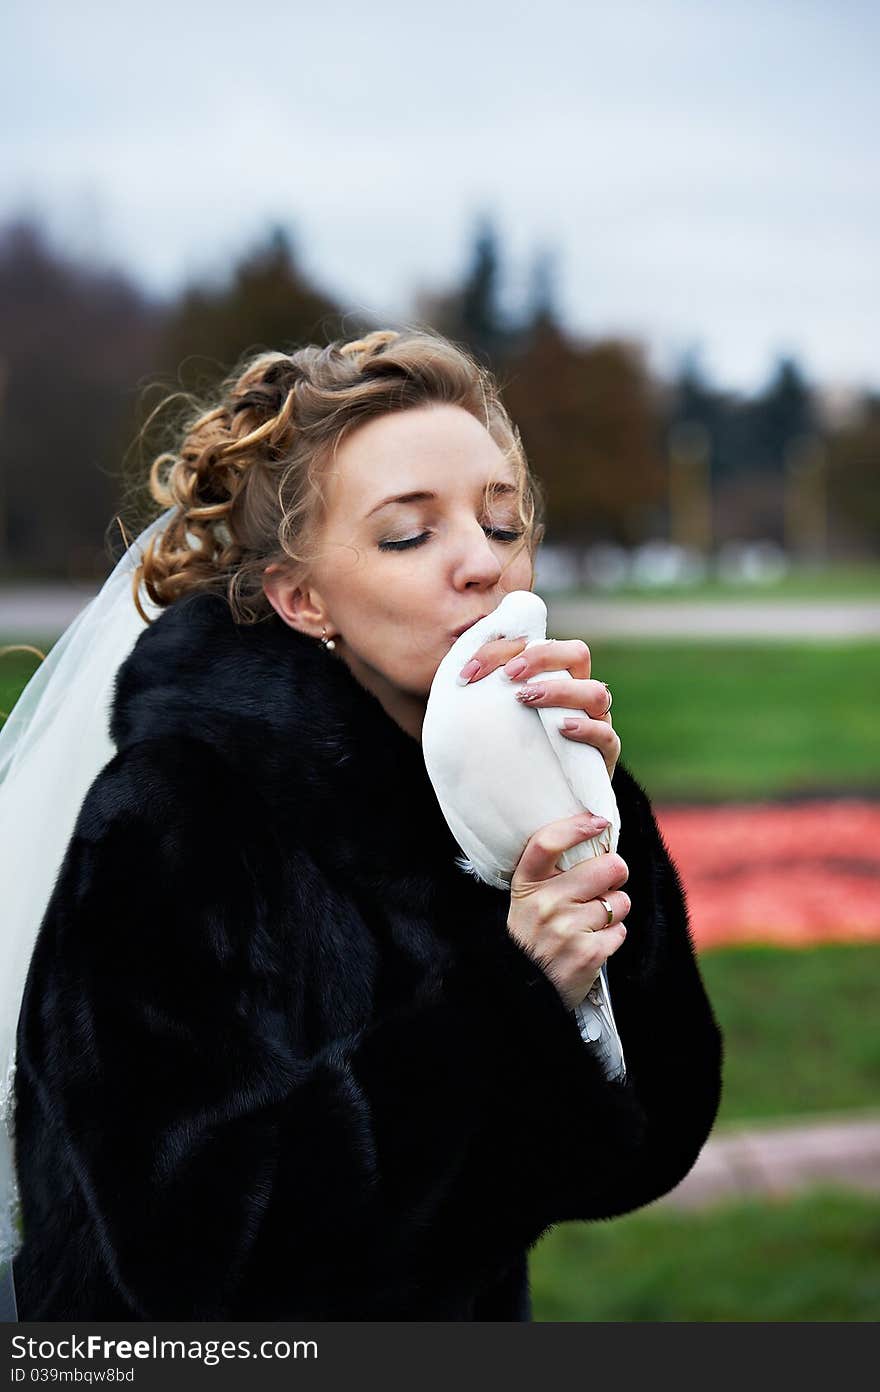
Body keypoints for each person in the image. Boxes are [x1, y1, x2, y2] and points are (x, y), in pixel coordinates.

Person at [9, 327, 723, 1321]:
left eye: (501, 521)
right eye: (407, 533)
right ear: (301, 600)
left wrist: (598, 818)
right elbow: (184, 1248)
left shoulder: (491, 782)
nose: (482, 563)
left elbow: (632, 1154)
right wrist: (505, 1001)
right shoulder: (176, 815)